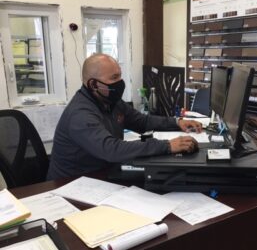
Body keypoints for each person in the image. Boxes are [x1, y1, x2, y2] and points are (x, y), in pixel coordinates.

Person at [47, 54, 202, 180]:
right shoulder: (80, 114)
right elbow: (111, 149)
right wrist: (167, 146)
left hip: (102, 173)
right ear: (94, 84)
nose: (120, 83)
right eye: (114, 78)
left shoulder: (109, 101)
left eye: (120, 76)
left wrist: (177, 122)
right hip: (73, 184)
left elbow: (142, 121)